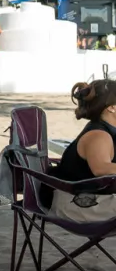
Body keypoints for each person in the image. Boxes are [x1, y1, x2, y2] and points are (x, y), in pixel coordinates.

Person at [50, 79, 116, 221]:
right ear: (112, 107)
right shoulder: (98, 135)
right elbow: (101, 168)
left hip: (91, 198)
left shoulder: (105, 131)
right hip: (78, 204)